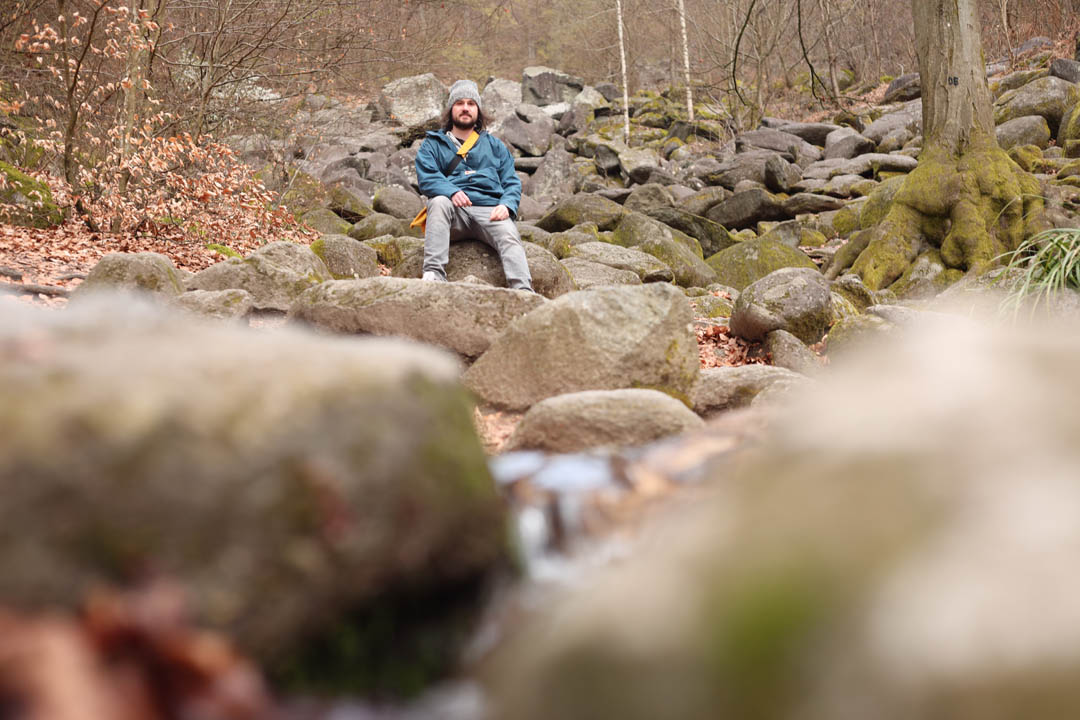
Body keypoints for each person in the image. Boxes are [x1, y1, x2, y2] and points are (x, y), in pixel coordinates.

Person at [414, 79, 533, 291]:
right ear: (451, 109)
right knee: (439, 201)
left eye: (471, 103)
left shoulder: (495, 146)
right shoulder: (432, 144)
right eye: (459, 103)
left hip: (490, 212)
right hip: (453, 215)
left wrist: (506, 205)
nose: (465, 108)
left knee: (509, 234)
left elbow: (511, 182)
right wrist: (451, 191)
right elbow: (427, 177)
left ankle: (523, 291)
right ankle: (433, 274)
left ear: (478, 110)